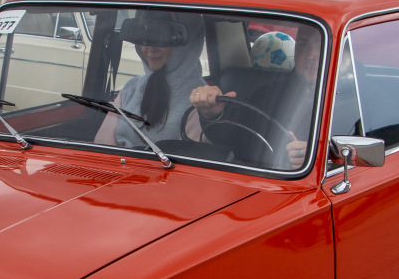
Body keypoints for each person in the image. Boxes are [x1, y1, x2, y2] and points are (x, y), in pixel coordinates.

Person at [189, 28, 323, 168]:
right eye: (303, 44)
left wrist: (318, 158)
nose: (311, 55)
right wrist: (213, 114)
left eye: (320, 46)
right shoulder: (268, 94)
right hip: (259, 178)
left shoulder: (346, 102)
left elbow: (345, 155)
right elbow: (230, 139)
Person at [94, 12, 207, 148]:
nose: (150, 49)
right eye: (145, 39)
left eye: (161, 39)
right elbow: (102, 146)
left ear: (186, 45)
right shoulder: (131, 88)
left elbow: (188, 162)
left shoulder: (200, 99)